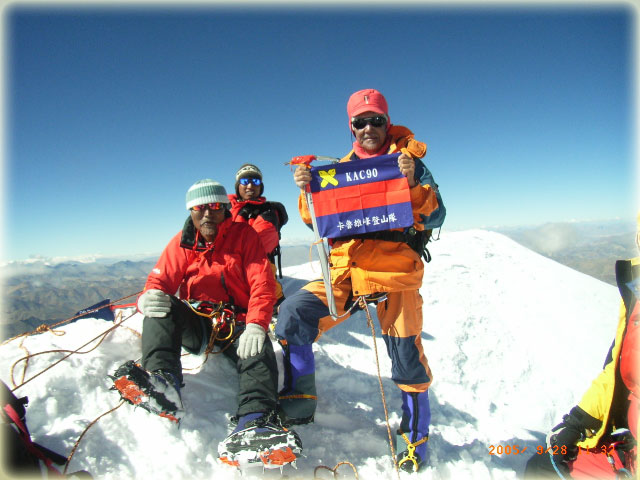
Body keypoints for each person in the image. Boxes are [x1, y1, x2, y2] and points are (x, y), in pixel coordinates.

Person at [274, 88, 443, 473]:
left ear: (386, 122)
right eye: (361, 122)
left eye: (376, 120)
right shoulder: (340, 169)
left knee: (406, 357)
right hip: (346, 272)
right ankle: (299, 400)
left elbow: (437, 215)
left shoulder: (406, 160)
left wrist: (412, 181)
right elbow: (316, 220)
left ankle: (414, 438)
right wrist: (307, 191)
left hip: (395, 272)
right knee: (294, 314)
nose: (369, 128)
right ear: (351, 127)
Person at [135, 178, 301, 465]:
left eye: (215, 206)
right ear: (191, 212)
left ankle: (256, 419)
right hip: (198, 321)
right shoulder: (183, 241)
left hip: (233, 323)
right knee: (162, 306)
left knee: (258, 350)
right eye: (200, 208)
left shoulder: (244, 236)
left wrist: (256, 323)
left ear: (226, 208)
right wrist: (147, 298)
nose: (208, 213)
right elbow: (160, 280)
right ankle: (162, 381)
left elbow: (262, 283)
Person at [523, 220, 639, 479]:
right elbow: (615, 373)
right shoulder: (636, 294)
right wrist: (578, 421)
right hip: (631, 447)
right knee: (541, 466)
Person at [228, 164, 288, 316]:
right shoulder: (224, 209)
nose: (249, 185)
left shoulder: (269, 212)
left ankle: (276, 313)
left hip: (262, 275)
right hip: (231, 277)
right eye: (244, 181)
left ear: (260, 186)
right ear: (237, 186)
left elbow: (258, 244)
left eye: (255, 181)